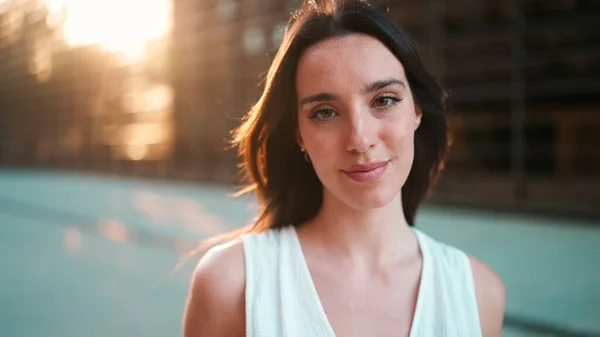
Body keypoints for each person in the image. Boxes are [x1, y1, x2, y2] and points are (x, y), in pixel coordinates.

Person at [183, 0, 506, 336]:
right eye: (325, 112)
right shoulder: (232, 284)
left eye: (384, 100)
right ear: (298, 134)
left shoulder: (478, 294)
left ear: (417, 111)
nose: (360, 139)